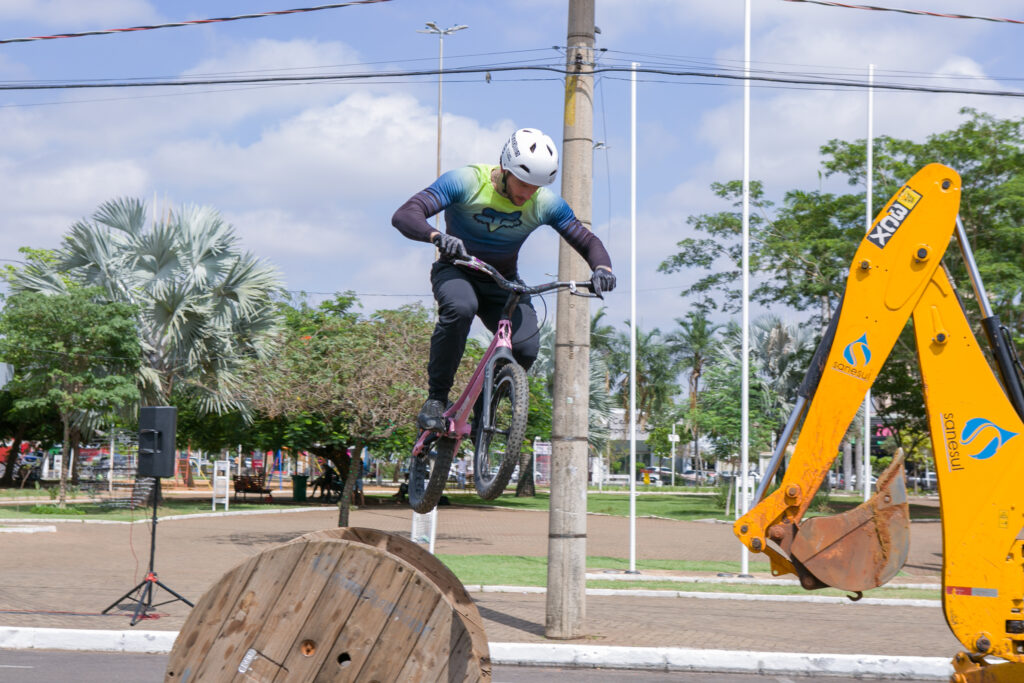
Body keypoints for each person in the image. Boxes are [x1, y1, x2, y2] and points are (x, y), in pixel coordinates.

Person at [392, 128, 616, 432]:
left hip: (503, 283)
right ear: (505, 169)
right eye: (523, 183)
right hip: (457, 270)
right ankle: (436, 399)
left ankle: (484, 411)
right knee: (461, 308)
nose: (527, 194)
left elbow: (587, 241)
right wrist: (437, 236)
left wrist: (603, 268)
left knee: (525, 349)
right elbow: (406, 214)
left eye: (535, 188)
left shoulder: (545, 203)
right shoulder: (467, 181)